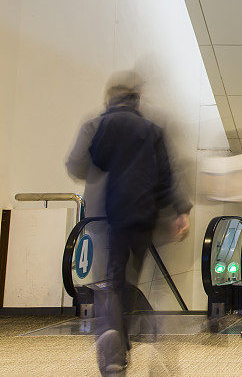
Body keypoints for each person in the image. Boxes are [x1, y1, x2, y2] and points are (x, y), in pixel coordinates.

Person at [87, 71, 191, 375]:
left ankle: (115, 339)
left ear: (112, 99)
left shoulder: (106, 123)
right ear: (138, 101)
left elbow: (95, 159)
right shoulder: (152, 129)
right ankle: (124, 333)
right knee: (134, 278)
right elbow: (166, 175)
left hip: (115, 213)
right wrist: (180, 211)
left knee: (115, 277)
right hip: (145, 215)